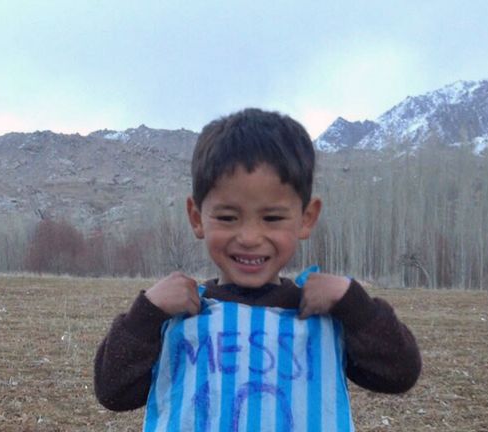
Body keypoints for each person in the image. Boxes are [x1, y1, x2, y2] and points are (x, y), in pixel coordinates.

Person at [94, 108, 421, 430]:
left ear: (306, 218)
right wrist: (145, 315)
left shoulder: (325, 315)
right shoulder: (174, 314)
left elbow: (399, 374)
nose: (249, 237)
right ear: (196, 217)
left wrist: (356, 305)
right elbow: (113, 393)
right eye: (227, 217)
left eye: (273, 218)